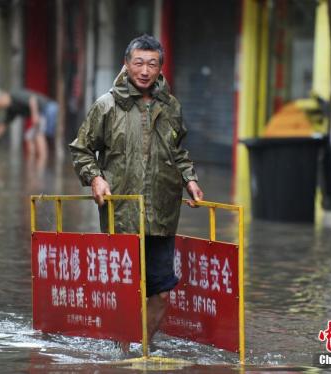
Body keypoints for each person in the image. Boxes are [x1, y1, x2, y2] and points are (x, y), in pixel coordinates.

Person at [69, 34, 204, 351]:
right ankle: (121, 352)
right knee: (125, 292)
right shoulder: (106, 107)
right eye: (139, 62)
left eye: (152, 64)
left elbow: (177, 151)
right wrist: (95, 179)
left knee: (160, 293)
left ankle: (138, 351)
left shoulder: (171, 107)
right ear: (126, 64)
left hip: (162, 213)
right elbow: (82, 150)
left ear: (160, 68)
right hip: (122, 214)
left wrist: (190, 179)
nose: (144, 70)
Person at [0, 88, 58, 161]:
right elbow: (3, 126)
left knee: (38, 133)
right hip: (43, 112)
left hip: (48, 108)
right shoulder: (11, 109)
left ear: (0, 98)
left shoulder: (14, 95)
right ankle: (34, 161)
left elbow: (32, 99)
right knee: (28, 136)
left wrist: (35, 115)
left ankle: (43, 160)